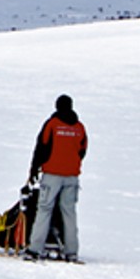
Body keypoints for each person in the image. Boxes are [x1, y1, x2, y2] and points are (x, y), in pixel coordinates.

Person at [24, 94, 87, 262]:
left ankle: (35, 249)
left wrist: (34, 170)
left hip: (52, 175)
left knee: (44, 209)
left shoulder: (52, 124)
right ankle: (71, 252)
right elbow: (82, 151)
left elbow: (41, 147)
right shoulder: (80, 127)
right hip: (72, 176)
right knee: (69, 213)